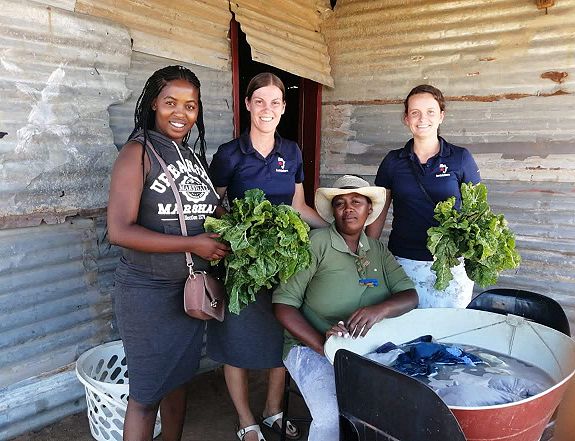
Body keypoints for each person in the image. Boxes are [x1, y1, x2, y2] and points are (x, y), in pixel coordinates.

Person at [107, 65, 230, 441]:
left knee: (179, 381)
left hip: (188, 292)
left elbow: (206, 211)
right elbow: (119, 231)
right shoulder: (137, 153)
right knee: (145, 396)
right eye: (170, 102)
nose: (181, 113)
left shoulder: (191, 156)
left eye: (190, 106)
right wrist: (193, 244)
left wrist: (237, 226)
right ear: (152, 104)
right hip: (147, 293)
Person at [206, 72, 327, 441]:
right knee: (237, 339)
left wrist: (335, 231)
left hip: (283, 263)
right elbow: (213, 208)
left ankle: (273, 409)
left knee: (282, 335)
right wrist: (245, 233)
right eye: (259, 101)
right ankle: (246, 419)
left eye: (275, 102)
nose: (267, 109)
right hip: (242, 264)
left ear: (284, 107)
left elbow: (299, 206)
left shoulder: (290, 152)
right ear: (247, 104)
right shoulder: (229, 154)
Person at [272, 174, 419, 441]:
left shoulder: (377, 250)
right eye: (340, 203)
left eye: (356, 202)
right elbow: (283, 306)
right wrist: (323, 346)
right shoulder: (316, 244)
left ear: (369, 209)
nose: (348, 209)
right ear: (334, 212)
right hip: (309, 348)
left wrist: (380, 310)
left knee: (397, 405)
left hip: (365, 349)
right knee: (331, 416)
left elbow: (410, 296)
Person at [366, 84, 481, 308]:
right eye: (415, 113)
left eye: (430, 112)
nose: (422, 119)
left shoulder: (460, 158)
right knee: (406, 333)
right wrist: (369, 252)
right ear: (406, 118)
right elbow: (378, 211)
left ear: (441, 116)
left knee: (448, 332)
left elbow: (477, 212)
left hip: (451, 264)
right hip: (403, 262)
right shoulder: (393, 161)